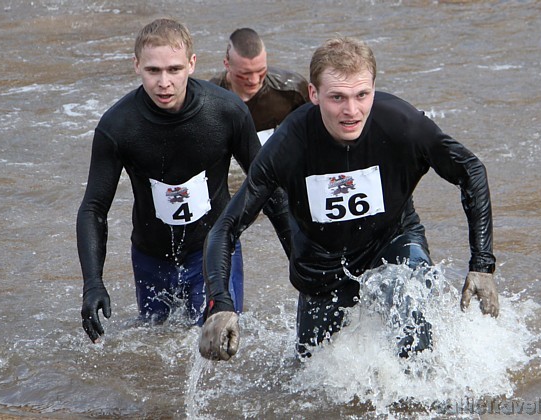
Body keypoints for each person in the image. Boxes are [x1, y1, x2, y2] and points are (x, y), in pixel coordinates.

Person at [198, 36, 499, 362]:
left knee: (408, 318)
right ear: (313, 94)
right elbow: (226, 227)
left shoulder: (402, 124)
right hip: (321, 263)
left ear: (373, 88)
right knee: (312, 373)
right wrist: (220, 305)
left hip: (393, 240)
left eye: (362, 95)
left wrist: (482, 266)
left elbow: (471, 171)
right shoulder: (288, 145)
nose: (351, 111)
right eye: (337, 97)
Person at [76, 18, 290, 343]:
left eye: (174, 69)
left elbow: (268, 191)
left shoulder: (227, 112)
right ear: (136, 66)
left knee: (219, 346)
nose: (164, 82)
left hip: (214, 251)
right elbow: (93, 208)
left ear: (191, 64)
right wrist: (92, 283)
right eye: (153, 71)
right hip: (150, 258)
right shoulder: (117, 126)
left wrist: (300, 258)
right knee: (157, 352)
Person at [209, 28, 309, 144]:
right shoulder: (210, 98)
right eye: (245, 73)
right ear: (227, 65)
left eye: (261, 71)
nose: (254, 80)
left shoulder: (293, 90)